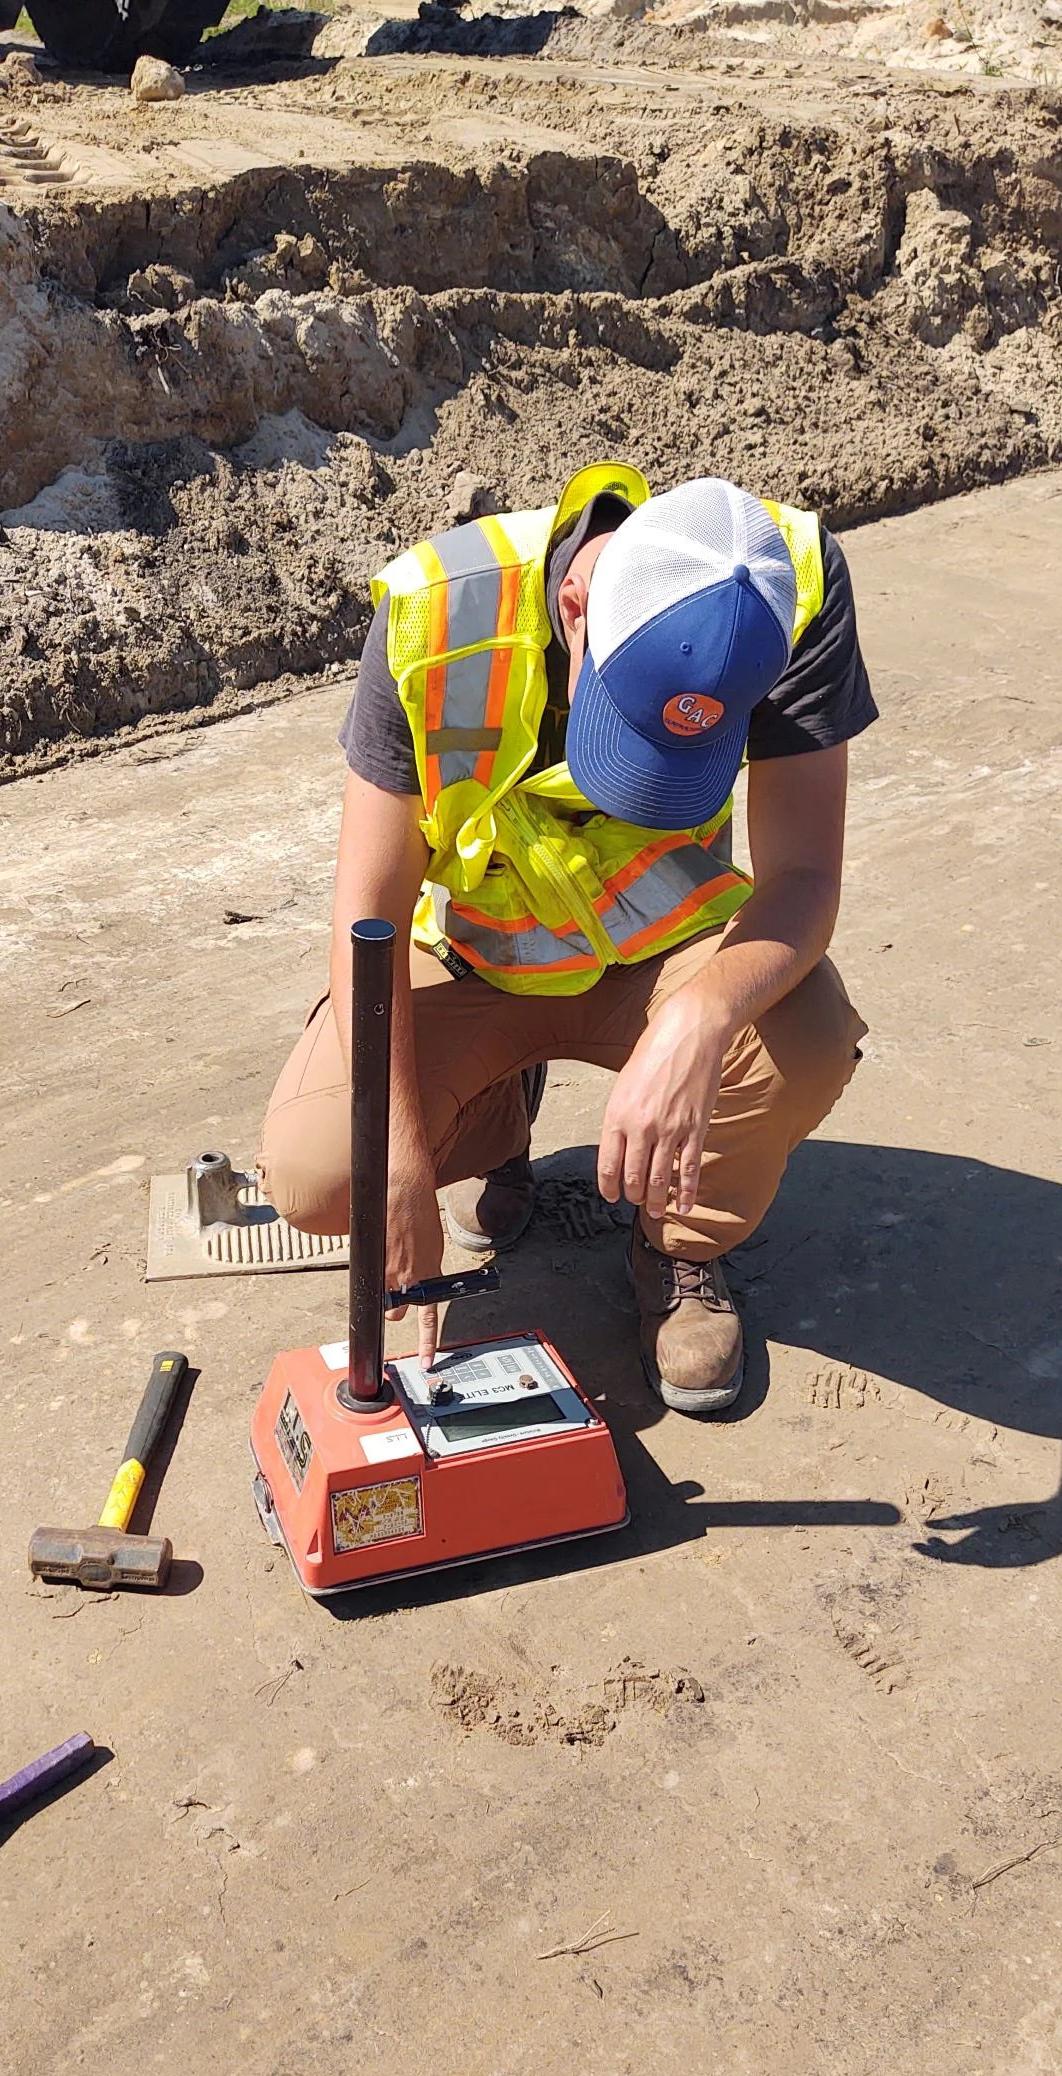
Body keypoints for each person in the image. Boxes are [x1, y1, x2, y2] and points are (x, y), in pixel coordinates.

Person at [258, 464, 875, 1415]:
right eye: (628, 726)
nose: (649, 777)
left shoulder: (782, 587)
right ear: (577, 607)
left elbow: (804, 879)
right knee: (326, 1172)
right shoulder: (436, 611)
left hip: (664, 948)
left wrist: (702, 1019)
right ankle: (493, 1123)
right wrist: (403, 1158)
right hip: (475, 953)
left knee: (804, 1037)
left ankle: (676, 1247)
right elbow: (365, 907)